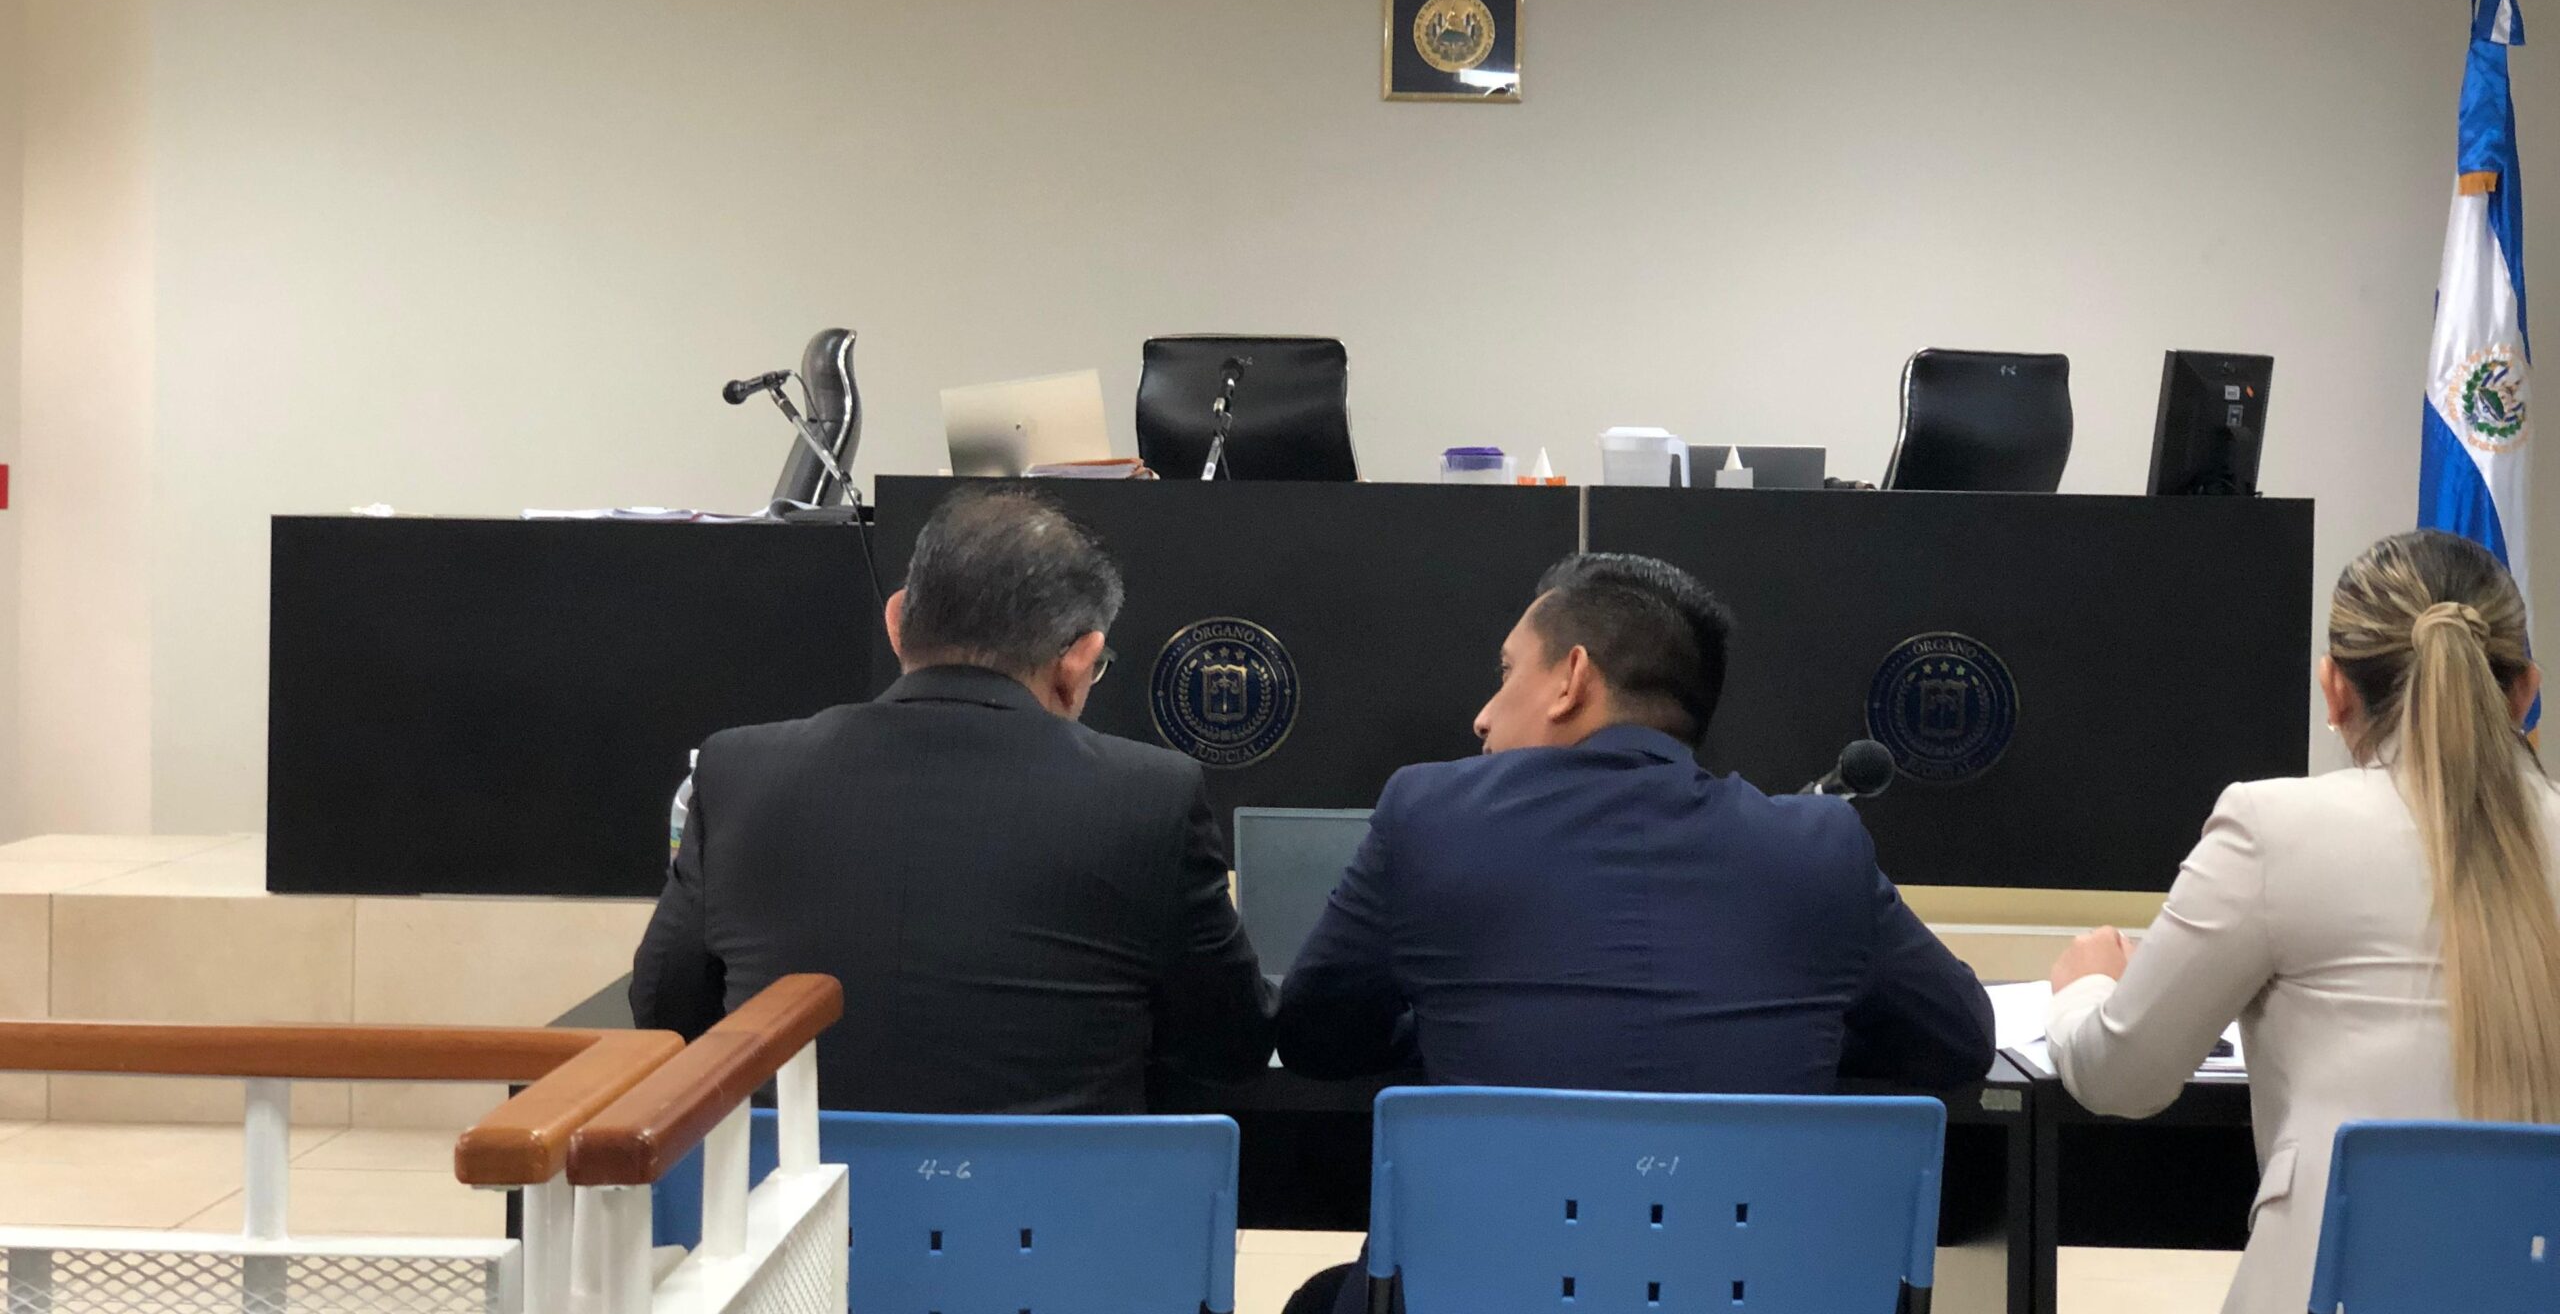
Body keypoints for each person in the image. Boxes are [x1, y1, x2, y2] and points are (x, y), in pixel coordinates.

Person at [629, 485, 1274, 1113]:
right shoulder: (1151, 796)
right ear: (1079, 660)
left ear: (897, 622)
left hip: (800, 1181)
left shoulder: (738, 771)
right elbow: (1231, 1046)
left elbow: (664, 1012)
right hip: (1056, 1187)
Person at [2046, 529, 2560, 1314]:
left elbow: (2123, 1077)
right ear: (2526, 692)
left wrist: (2084, 992)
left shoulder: (2271, 829)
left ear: (2334, 689)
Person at [1276, 551, 1995, 1090]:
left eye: (1507, 671)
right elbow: (1957, 1041)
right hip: (1740, 1251)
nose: (1483, 716)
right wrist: (1796, 1036)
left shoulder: (1427, 816)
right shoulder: (1820, 847)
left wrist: (1451, 1030)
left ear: (1571, 679)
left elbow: (1315, 1039)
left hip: (1491, 1249)